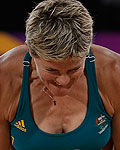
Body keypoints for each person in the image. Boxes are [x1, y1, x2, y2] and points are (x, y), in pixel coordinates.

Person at [0, 0, 120, 149]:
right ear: (30, 51)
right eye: (52, 70)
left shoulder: (115, 72)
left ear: (86, 50)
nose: (63, 81)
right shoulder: (4, 78)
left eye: (74, 69)